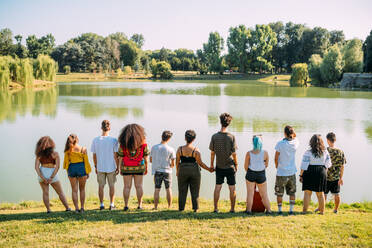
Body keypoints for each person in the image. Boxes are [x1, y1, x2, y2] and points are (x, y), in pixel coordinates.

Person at [176, 130, 213, 212]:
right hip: (194, 170)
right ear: (194, 139)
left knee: (182, 190)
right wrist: (209, 169)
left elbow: (177, 162)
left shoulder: (180, 149)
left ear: (185, 138)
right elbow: (200, 163)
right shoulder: (196, 150)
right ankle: (195, 208)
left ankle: (181, 208)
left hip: (182, 169)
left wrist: (177, 171)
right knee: (195, 190)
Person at [209, 113, 237, 213]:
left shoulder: (214, 136)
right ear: (229, 123)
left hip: (219, 166)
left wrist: (211, 165)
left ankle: (216, 208)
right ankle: (232, 209)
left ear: (220, 122)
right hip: (230, 166)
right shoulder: (231, 137)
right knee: (232, 188)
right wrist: (236, 165)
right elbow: (234, 154)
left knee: (217, 187)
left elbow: (212, 153)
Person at [34, 136, 70, 213]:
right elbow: (57, 167)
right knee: (60, 192)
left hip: (42, 171)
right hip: (52, 172)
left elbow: (36, 168)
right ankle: (67, 208)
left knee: (45, 192)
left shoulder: (39, 155)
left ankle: (48, 210)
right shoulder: (55, 154)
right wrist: (52, 177)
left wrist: (43, 178)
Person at [118, 124, 149, 211]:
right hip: (139, 167)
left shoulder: (123, 144)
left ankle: (126, 205)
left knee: (126, 187)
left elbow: (120, 156)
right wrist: (146, 167)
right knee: (139, 186)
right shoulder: (143, 143)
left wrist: (119, 168)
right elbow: (146, 156)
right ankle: (140, 205)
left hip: (126, 168)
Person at [300, 134, 332, 215]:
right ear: (321, 142)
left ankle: (304, 211)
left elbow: (303, 165)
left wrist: (301, 175)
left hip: (309, 171)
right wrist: (324, 172)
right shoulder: (325, 151)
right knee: (320, 193)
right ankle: (322, 212)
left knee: (307, 192)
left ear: (311, 142)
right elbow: (328, 164)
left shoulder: (308, 152)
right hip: (321, 171)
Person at [91, 120, 119, 211]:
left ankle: (102, 205)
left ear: (101, 128)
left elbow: (94, 155)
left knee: (101, 186)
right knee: (112, 186)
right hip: (111, 167)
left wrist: (95, 166)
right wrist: (118, 167)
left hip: (100, 167)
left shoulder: (95, 140)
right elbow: (115, 155)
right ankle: (111, 204)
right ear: (109, 128)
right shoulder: (114, 140)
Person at [274, 126, 299, 215]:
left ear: (284, 133)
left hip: (281, 172)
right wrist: (292, 133)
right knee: (292, 192)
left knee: (279, 193)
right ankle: (291, 210)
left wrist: (277, 166)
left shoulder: (280, 144)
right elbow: (295, 136)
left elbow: (276, 157)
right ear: (292, 133)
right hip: (292, 172)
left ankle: (280, 210)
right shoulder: (295, 143)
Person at [63, 134, 91, 213]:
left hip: (72, 168)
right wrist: (87, 172)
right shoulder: (83, 149)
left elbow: (66, 162)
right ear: (77, 139)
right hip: (81, 168)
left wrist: (68, 172)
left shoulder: (68, 150)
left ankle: (76, 208)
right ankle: (82, 208)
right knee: (82, 189)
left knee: (74, 190)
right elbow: (86, 162)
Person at [244, 135, 272, 214]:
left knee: (250, 193)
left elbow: (245, 167)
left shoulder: (248, 153)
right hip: (261, 174)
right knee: (264, 195)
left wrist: (251, 172)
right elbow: (266, 165)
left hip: (251, 173)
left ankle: (248, 210)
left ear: (253, 142)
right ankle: (269, 210)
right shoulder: (265, 153)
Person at [150, 131, 176, 210]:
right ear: (169, 138)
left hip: (157, 171)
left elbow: (151, 160)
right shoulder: (171, 149)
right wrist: (170, 166)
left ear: (161, 136)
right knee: (168, 189)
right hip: (167, 171)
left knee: (157, 189)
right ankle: (169, 206)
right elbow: (173, 163)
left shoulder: (154, 147)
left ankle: (155, 207)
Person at [325, 132, 346, 214]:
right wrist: (341, 178)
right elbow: (342, 166)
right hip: (336, 177)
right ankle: (336, 209)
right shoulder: (340, 151)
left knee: (324, 194)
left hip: (326, 176)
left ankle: (321, 207)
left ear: (327, 140)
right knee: (336, 194)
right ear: (335, 140)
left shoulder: (325, 151)